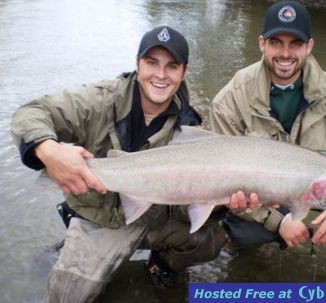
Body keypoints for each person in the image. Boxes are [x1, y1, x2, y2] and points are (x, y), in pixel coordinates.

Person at [11, 26, 229, 303]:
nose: (161, 75)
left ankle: (161, 266)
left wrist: (220, 199)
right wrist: (48, 149)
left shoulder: (191, 128)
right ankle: (75, 241)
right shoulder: (100, 100)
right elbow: (31, 113)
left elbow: (185, 206)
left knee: (208, 238)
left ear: (183, 71)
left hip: (150, 217)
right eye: (152, 63)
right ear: (137, 64)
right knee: (65, 299)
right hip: (98, 218)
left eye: (171, 66)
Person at [210, 1, 326, 282]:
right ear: (262, 44)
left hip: (323, 189)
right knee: (240, 227)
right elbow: (220, 174)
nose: (285, 53)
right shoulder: (231, 98)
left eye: (295, 44)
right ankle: (244, 262)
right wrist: (278, 221)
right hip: (266, 198)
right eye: (276, 42)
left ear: (309, 46)